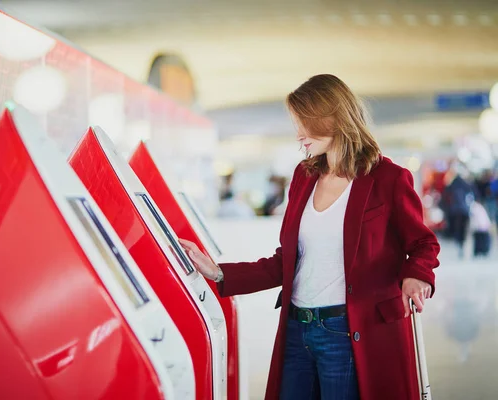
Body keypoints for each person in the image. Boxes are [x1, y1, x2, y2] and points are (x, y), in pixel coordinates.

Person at [180, 74, 440, 400]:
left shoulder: (387, 178)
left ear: (332, 118)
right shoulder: (304, 178)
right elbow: (284, 261)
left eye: (304, 123)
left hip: (347, 331)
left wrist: (417, 276)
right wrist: (219, 272)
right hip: (296, 330)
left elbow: (423, 243)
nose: (299, 134)